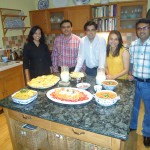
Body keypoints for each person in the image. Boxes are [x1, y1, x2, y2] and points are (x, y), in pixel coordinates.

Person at [129, 18, 150, 147]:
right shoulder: (133, 44)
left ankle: (147, 133)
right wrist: (130, 73)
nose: (142, 31)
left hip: (149, 84)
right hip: (135, 82)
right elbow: (131, 62)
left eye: (145, 28)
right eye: (139, 28)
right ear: (136, 30)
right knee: (134, 106)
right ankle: (132, 126)